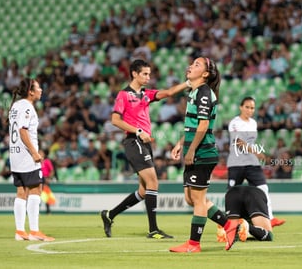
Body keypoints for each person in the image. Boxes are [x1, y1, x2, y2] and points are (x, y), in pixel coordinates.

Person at [100, 59, 188, 239]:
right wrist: (139, 131)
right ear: (134, 73)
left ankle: (110, 214)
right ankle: (153, 229)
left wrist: (188, 83)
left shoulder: (146, 94)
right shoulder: (124, 95)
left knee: (143, 191)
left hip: (144, 143)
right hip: (134, 141)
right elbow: (115, 120)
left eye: (149, 74)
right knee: (153, 183)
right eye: (145, 74)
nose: (148, 77)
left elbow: (170, 92)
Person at [168, 57, 239, 253]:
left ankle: (193, 244)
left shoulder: (204, 93)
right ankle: (228, 224)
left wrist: (191, 150)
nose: (191, 66)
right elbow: (192, 126)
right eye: (191, 63)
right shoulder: (195, 92)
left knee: (198, 200)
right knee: (190, 198)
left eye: (197, 64)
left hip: (202, 152)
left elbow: (204, 124)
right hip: (194, 150)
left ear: (206, 74)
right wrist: (180, 143)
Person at [226, 96, 285, 228]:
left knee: (263, 188)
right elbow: (239, 142)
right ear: (241, 107)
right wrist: (258, 153)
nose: (250, 110)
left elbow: (250, 142)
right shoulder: (235, 123)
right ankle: (228, 223)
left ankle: (270, 218)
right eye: (247, 107)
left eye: (252, 108)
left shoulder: (253, 123)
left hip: (252, 163)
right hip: (237, 163)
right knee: (232, 193)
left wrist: (256, 154)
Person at [8, 78, 54, 242]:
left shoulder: (15, 106)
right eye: (38, 87)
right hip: (27, 156)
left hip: (15, 155)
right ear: (31, 91)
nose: (41, 90)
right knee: (36, 189)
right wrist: (35, 153)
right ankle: (34, 231)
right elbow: (23, 130)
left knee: (21, 192)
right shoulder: (27, 107)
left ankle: (20, 231)